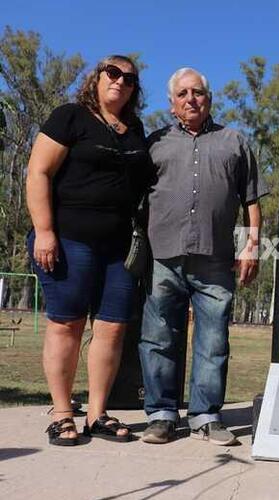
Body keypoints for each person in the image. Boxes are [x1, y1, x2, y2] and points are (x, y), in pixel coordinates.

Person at [139, 67, 267, 446]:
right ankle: (161, 415)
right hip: (162, 255)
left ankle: (206, 416)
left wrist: (252, 245)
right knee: (159, 337)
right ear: (172, 103)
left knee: (213, 340)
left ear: (209, 98)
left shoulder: (234, 142)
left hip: (216, 258)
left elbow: (251, 200)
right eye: (183, 94)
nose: (191, 98)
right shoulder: (155, 143)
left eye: (198, 92)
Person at [26, 55, 148, 445]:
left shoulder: (134, 129)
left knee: (112, 328)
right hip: (68, 239)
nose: (121, 81)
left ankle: (97, 413)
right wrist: (45, 231)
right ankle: (63, 412)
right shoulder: (70, 117)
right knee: (68, 323)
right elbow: (38, 172)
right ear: (96, 78)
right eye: (113, 73)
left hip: (118, 248)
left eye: (129, 78)